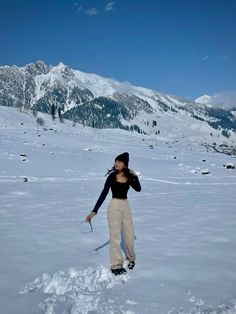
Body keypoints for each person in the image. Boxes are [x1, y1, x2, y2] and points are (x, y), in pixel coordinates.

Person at [86, 152, 141, 276]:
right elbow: (104, 193)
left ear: (125, 164)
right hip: (114, 206)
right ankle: (116, 264)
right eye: (116, 161)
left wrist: (134, 175)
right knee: (115, 237)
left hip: (126, 205)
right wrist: (94, 210)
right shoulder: (111, 176)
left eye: (119, 161)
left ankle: (131, 258)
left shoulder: (128, 176)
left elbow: (138, 188)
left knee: (129, 234)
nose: (116, 163)